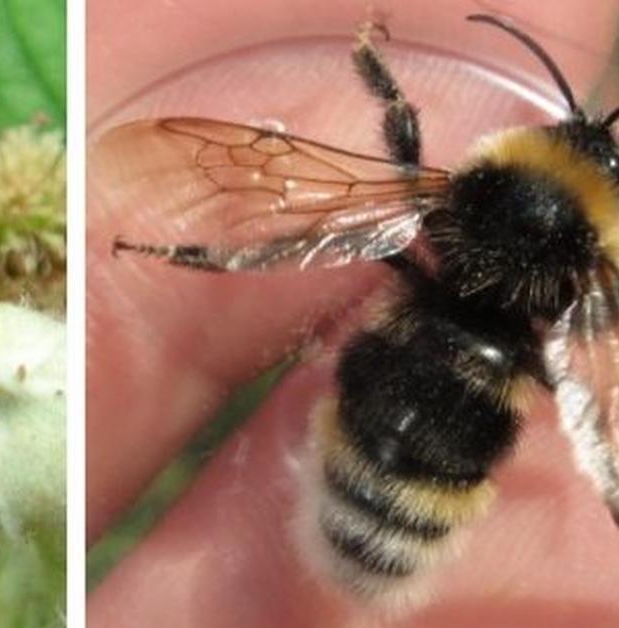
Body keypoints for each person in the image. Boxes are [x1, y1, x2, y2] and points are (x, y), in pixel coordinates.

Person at [87, 2, 619, 625]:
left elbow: (317, 172)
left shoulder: (443, 197)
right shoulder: (593, 280)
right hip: (447, 447)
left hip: (395, 395)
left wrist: (375, 68)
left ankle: (187, 254)